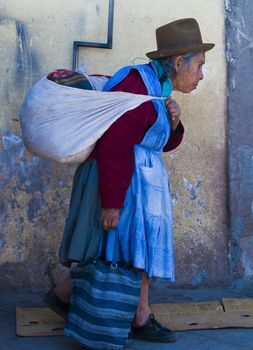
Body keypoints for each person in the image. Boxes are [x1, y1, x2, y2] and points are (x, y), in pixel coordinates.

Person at [45, 18, 214, 345]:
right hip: (125, 183)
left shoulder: (159, 88)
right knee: (118, 249)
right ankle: (119, 310)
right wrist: (111, 201)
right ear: (179, 62)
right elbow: (116, 142)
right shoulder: (137, 85)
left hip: (140, 184)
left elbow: (157, 142)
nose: (201, 75)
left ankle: (88, 301)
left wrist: (175, 123)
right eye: (200, 66)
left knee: (133, 248)